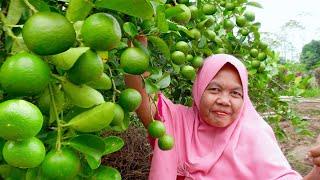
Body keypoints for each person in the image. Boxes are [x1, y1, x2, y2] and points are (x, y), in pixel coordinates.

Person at [125, 54, 320, 180]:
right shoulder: (176, 121)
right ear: (199, 89)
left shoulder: (255, 135)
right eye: (215, 89)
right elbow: (138, 91)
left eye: (235, 94)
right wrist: (138, 37)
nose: (224, 100)